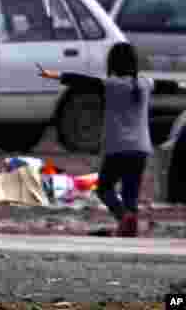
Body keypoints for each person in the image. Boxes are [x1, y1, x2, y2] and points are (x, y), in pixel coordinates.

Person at [40, 42, 164, 237]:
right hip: (141, 149)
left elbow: (82, 81)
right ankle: (129, 226)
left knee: (104, 188)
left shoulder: (111, 85)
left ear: (113, 63)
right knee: (130, 192)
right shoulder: (145, 84)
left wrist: (53, 75)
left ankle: (123, 217)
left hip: (118, 148)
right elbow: (167, 85)